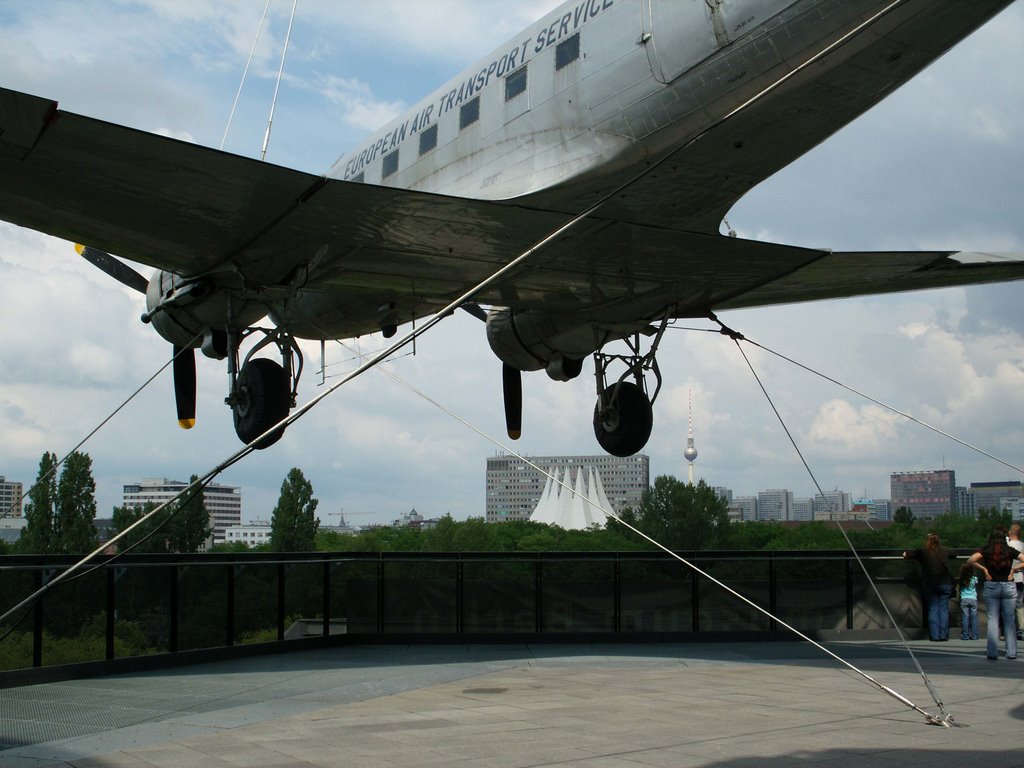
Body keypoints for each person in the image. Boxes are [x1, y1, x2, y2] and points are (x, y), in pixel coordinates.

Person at [968, 527, 1024, 660]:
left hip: (991, 586)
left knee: (993, 620)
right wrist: (1014, 569)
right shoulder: (1009, 550)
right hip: (1009, 586)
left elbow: (970, 560)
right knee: (1009, 620)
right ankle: (1011, 652)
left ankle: (992, 652)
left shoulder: (986, 550)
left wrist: (984, 569)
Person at [903, 532, 953, 641]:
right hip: (945, 583)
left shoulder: (922, 552)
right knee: (943, 609)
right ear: (939, 541)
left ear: (928, 541)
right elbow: (954, 554)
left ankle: (935, 636)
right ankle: (944, 635)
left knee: (933, 609)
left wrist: (905, 554)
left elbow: (906, 554)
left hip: (930, 583)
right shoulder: (945, 551)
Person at [1008, 523, 1024, 641]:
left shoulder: (1007, 545)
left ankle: (1009, 629)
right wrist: (1016, 568)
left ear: (1010, 533)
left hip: (1007, 578)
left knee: (1008, 605)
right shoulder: (1022, 546)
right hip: (1019, 578)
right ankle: (1021, 630)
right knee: (1020, 605)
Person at [957, 562, 979, 640]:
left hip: (964, 599)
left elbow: (959, 588)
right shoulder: (974, 578)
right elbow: (976, 585)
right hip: (973, 599)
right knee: (974, 618)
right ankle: (974, 635)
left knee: (965, 618)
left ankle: (965, 635)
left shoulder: (961, 579)